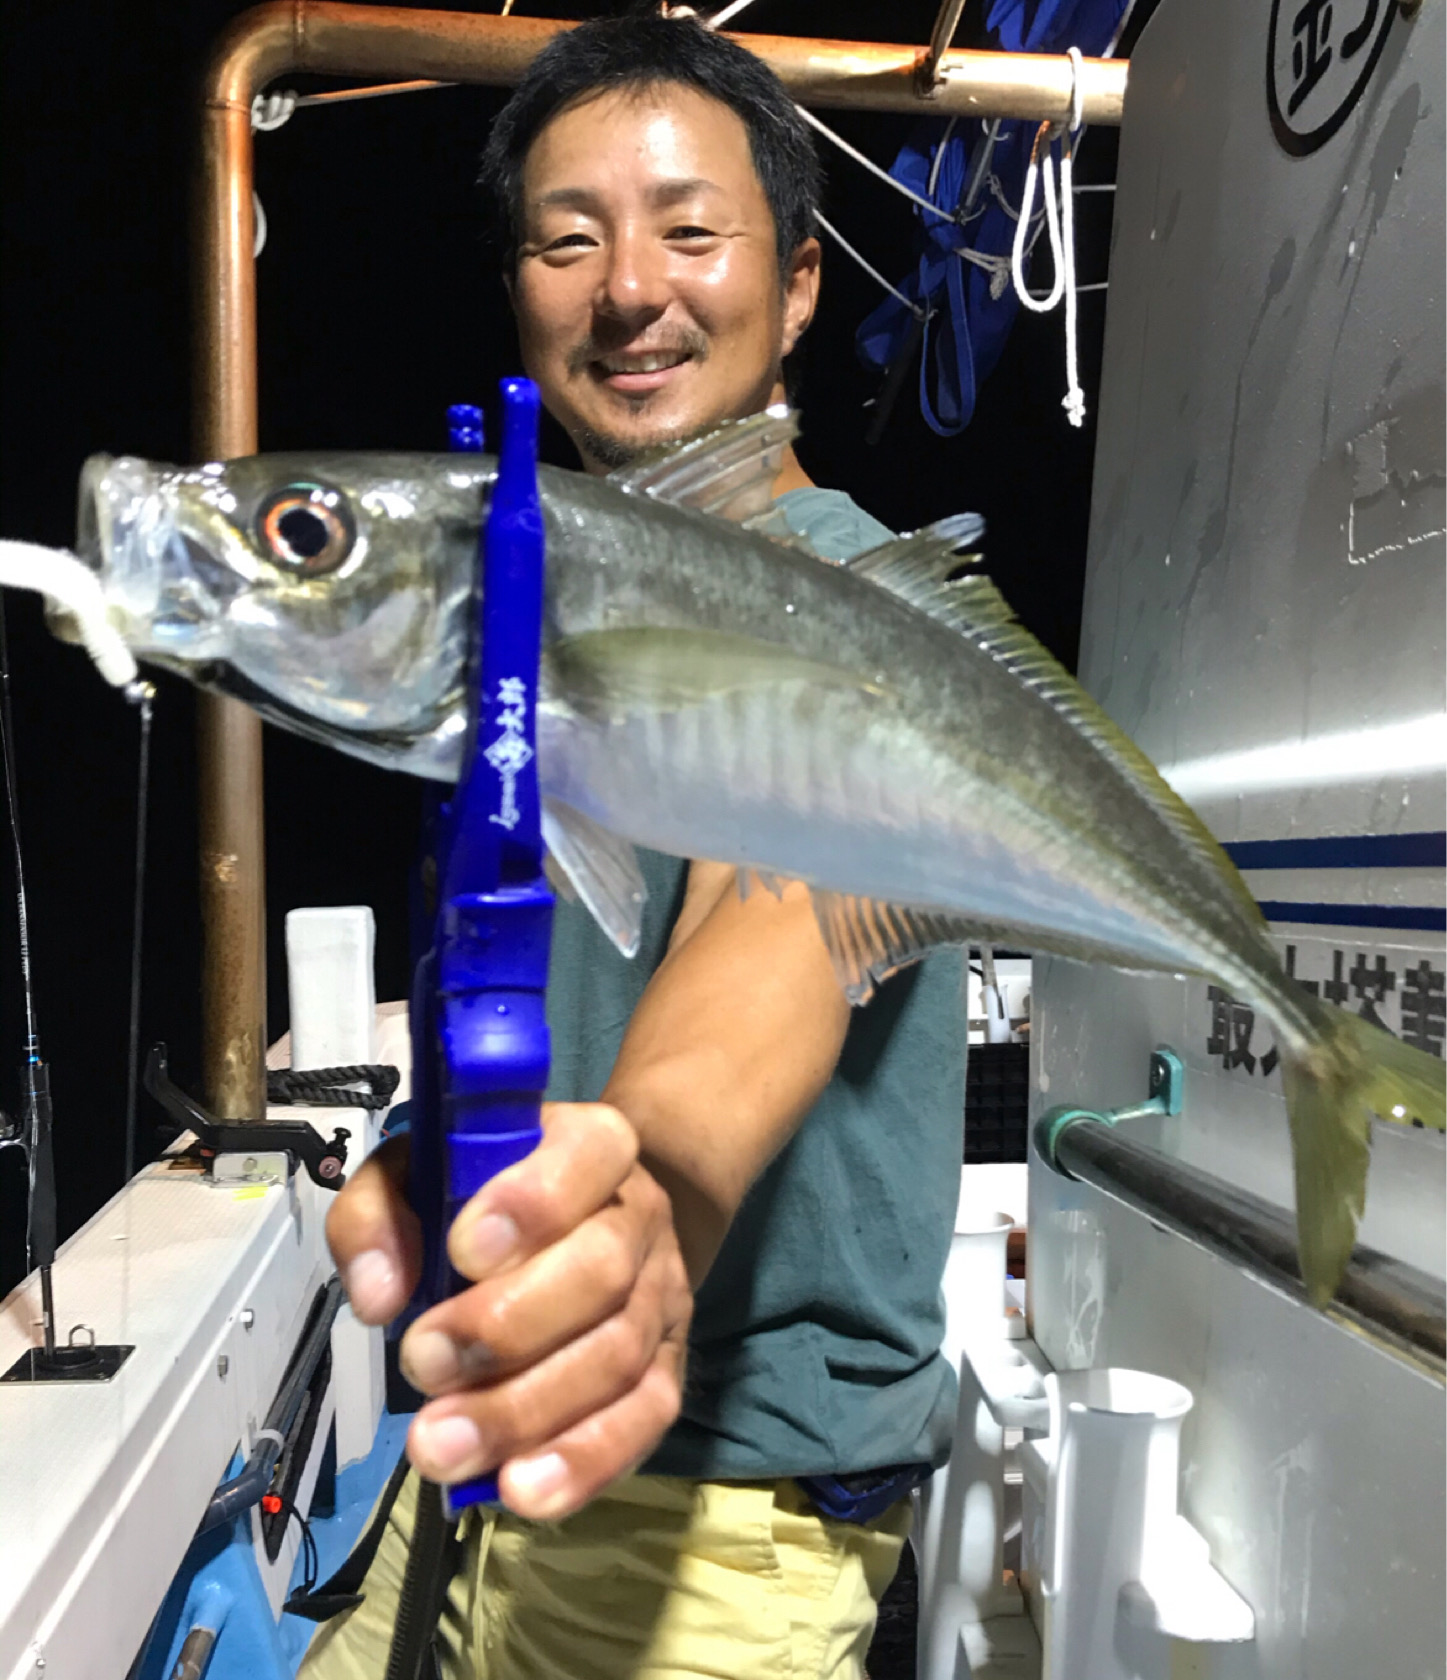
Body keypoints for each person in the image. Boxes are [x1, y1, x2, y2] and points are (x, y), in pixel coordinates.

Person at [303, 15, 966, 1678]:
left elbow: (786, 912)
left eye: (689, 229)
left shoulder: (852, 612)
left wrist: (653, 1190)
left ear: (797, 285)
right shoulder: (545, 587)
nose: (627, 290)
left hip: (715, 1516)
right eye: (568, 239)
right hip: (478, 1450)